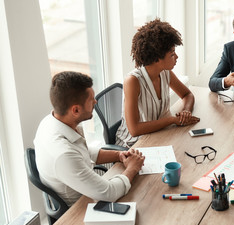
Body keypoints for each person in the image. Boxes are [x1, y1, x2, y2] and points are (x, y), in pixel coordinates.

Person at [34, 71, 145, 206]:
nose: (95, 101)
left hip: (88, 191)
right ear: (75, 110)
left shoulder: (51, 121)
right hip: (82, 209)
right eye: (91, 100)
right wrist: (132, 168)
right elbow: (109, 194)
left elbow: (84, 151)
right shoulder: (64, 154)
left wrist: (119, 155)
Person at [116, 19, 200, 148]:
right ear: (156, 58)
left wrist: (186, 113)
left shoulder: (165, 72)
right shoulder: (133, 81)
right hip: (133, 146)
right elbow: (134, 130)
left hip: (159, 136)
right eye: (172, 54)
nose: (176, 57)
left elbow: (187, 94)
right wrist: (172, 120)